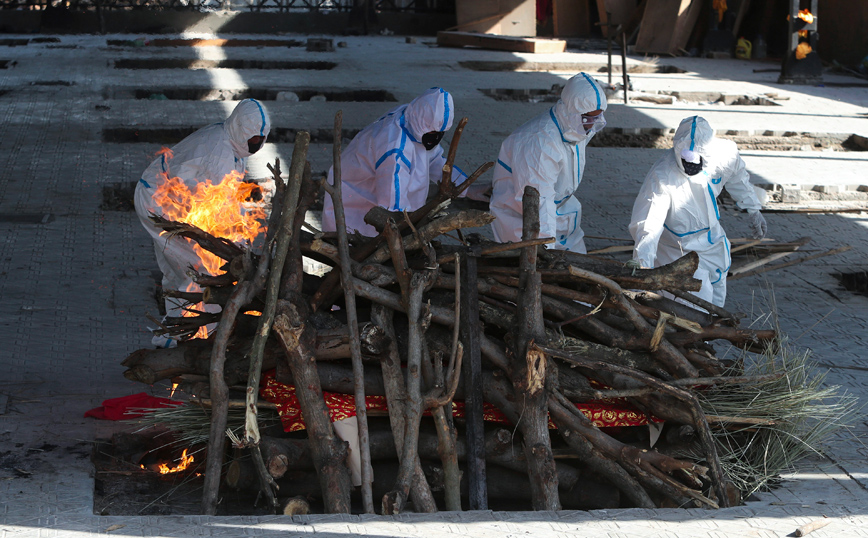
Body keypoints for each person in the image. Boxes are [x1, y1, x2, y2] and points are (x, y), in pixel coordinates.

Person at [134, 99, 271, 346]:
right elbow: (207, 201)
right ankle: (181, 336)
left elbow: (225, 197)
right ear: (240, 129)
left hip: (165, 202)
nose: (256, 146)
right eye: (252, 141)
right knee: (197, 270)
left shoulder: (230, 141)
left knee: (179, 271)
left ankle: (178, 335)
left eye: (259, 141)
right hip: (159, 204)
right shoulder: (218, 150)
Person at [628, 115, 767, 308]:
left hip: (713, 241)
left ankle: (711, 336)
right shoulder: (663, 176)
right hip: (678, 248)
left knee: (717, 299)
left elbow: (738, 178)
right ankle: (697, 337)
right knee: (695, 303)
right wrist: (643, 265)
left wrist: (753, 209)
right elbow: (648, 223)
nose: (691, 164)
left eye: (697, 158)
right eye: (686, 158)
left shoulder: (724, 154)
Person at [321, 87, 471, 236]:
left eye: (440, 133)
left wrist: (468, 188)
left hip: (371, 197)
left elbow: (434, 160)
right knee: (360, 241)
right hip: (354, 201)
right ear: (421, 121)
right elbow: (392, 208)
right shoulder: (394, 148)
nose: (436, 137)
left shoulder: (411, 119)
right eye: (432, 132)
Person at [489, 72, 608, 253]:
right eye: (587, 119)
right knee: (535, 271)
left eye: (596, 118)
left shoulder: (577, 126)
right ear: (572, 112)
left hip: (562, 217)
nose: (591, 126)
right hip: (522, 222)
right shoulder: (540, 144)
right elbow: (538, 207)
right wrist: (546, 251)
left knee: (581, 271)